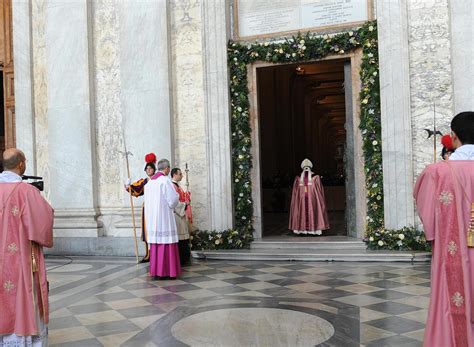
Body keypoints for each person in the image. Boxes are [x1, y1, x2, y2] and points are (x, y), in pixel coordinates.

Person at [414, 111, 474, 346]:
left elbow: (427, 211)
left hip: (454, 251)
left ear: (453, 136)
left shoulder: (437, 172)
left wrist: (434, 240)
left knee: (453, 299)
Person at [0, 148, 54, 346]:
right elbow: (43, 223)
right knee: (23, 294)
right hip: (21, 259)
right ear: (21, 164)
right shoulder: (27, 192)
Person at [145, 159, 181, 279]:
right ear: (166, 168)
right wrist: (177, 196)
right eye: (169, 168)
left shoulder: (150, 182)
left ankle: (156, 271)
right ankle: (168, 271)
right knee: (166, 241)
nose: (169, 170)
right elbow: (173, 201)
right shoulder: (164, 180)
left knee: (156, 243)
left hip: (152, 220)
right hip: (164, 217)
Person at [125, 153, 157, 263]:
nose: (148, 170)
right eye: (147, 168)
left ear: (154, 169)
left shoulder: (158, 180)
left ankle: (157, 253)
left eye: (150, 168)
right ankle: (148, 254)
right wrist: (128, 185)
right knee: (147, 231)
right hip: (147, 208)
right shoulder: (145, 181)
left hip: (157, 208)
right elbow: (135, 189)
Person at [289, 158, 329, 235]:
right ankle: (314, 230)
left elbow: (295, 195)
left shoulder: (299, 179)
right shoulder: (315, 178)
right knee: (313, 208)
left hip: (301, 200)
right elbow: (320, 193)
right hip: (312, 200)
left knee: (301, 209)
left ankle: (301, 229)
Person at [171, 168, 191, 265]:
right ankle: (181, 258)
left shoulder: (178, 186)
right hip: (177, 215)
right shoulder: (172, 186)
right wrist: (185, 205)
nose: (182, 176)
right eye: (180, 174)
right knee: (179, 237)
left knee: (183, 236)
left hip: (181, 214)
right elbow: (174, 202)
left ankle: (185, 257)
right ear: (174, 175)